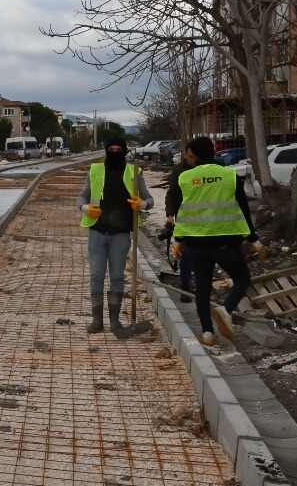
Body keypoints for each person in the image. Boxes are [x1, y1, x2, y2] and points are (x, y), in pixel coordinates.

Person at [170, 136, 264, 346]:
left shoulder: (185, 178)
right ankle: (226, 308)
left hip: (196, 244)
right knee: (242, 279)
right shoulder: (229, 176)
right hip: (225, 243)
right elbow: (243, 209)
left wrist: (178, 240)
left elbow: (182, 212)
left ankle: (207, 334)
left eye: (188, 154)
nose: (187, 157)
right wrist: (254, 239)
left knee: (202, 288)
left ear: (193, 154)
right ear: (212, 153)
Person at [78, 137, 152, 337]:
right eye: (111, 148)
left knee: (118, 276)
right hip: (97, 232)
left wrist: (142, 204)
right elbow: (82, 197)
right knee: (96, 275)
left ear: (125, 151)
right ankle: (97, 320)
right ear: (106, 150)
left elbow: (149, 199)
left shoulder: (134, 172)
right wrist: (86, 208)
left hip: (121, 234)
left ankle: (114, 321)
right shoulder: (95, 170)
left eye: (118, 149)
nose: (115, 151)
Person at [162, 150, 196, 294]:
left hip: (207, 224)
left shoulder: (212, 171)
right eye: (188, 155)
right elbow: (171, 194)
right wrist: (170, 216)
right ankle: (186, 288)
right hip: (184, 222)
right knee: (185, 256)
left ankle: (196, 285)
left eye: (192, 156)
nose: (189, 159)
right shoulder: (179, 170)